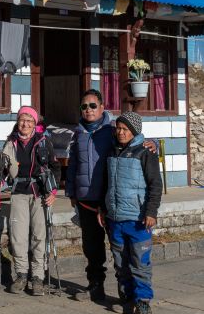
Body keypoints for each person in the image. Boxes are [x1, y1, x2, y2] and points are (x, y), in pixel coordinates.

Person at [66, 89, 157, 301]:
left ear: (102, 107)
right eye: (84, 106)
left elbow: (134, 142)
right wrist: (71, 190)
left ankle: (128, 294)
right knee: (92, 247)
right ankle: (95, 286)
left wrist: (152, 142)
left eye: (92, 105)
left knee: (121, 250)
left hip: (110, 200)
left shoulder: (111, 130)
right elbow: (72, 165)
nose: (88, 110)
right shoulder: (78, 133)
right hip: (86, 199)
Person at [102, 112, 162, 314]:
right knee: (120, 261)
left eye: (125, 129)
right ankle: (127, 297)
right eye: (118, 128)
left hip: (138, 219)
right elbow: (105, 184)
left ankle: (143, 301)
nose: (120, 132)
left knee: (140, 262)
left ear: (134, 131)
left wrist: (151, 212)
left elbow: (156, 185)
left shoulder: (146, 152)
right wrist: (104, 209)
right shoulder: (111, 152)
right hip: (115, 218)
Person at [0, 106, 57, 295]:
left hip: (40, 193)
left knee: (39, 235)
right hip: (18, 193)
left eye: (30, 121)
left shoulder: (44, 142)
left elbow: (55, 168)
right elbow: (3, 170)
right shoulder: (10, 143)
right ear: (17, 122)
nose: (25, 124)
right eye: (22, 120)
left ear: (35, 124)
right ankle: (21, 274)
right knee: (18, 236)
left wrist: (53, 192)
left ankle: (37, 277)